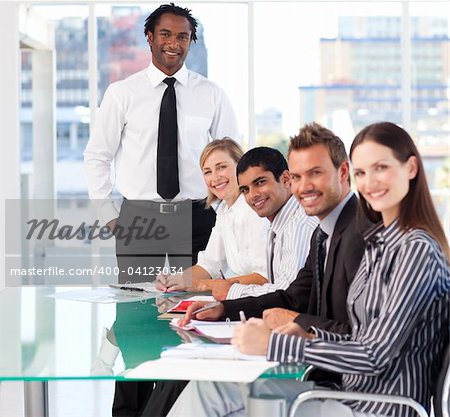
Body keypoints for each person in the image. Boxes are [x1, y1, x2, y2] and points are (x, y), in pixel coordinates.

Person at [177, 122, 450, 417]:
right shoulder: (381, 242)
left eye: (380, 168)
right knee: (211, 388)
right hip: (349, 394)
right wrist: (303, 333)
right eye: (362, 173)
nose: (369, 182)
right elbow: (359, 335)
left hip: (375, 407)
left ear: (410, 168)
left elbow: (373, 356)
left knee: (229, 395)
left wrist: (278, 344)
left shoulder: (415, 249)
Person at [84, 4, 239, 416]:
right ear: (149, 37)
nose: (174, 43)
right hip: (140, 219)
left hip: (198, 218)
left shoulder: (211, 94)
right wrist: (111, 216)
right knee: (135, 323)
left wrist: (229, 214)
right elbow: (96, 157)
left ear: (192, 42)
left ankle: (181, 407)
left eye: (183, 36)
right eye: (166, 35)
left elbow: (231, 158)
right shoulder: (122, 93)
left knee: (195, 319)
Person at [166, 122, 373, 417]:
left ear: (343, 172)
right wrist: (224, 308)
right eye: (299, 176)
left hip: (358, 396)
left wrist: (281, 339)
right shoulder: (324, 233)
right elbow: (293, 298)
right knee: (210, 386)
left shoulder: (365, 235)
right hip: (329, 379)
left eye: (315, 173)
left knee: (220, 388)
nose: (304, 186)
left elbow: (368, 345)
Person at [156, 138, 269, 298]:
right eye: (207, 172)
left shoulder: (257, 210)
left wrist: (205, 284)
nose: (214, 178)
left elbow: (264, 277)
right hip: (248, 298)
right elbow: (209, 264)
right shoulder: (224, 211)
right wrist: (175, 280)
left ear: (241, 167)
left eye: (221, 167)